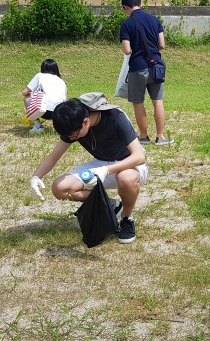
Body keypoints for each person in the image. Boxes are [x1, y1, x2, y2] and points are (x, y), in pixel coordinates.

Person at [29, 93, 148, 244]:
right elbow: (54, 156)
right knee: (60, 188)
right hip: (101, 164)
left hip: (130, 164)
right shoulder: (74, 125)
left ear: (85, 122)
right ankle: (112, 206)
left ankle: (126, 218)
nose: (71, 139)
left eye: (73, 136)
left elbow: (139, 156)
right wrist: (36, 177)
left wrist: (106, 170)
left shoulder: (115, 117)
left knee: (126, 178)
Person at [120, 0, 172, 145]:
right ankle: (161, 136)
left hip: (137, 67)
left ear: (125, 7)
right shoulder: (155, 20)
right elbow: (162, 45)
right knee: (158, 100)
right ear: (141, 4)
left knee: (138, 102)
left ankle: (143, 136)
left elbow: (127, 50)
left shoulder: (126, 24)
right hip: (156, 66)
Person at [21, 59, 67, 133]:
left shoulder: (40, 75)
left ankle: (38, 126)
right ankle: (59, 126)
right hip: (59, 113)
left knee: (27, 97)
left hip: (43, 111)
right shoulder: (61, 81)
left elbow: (24, 92)